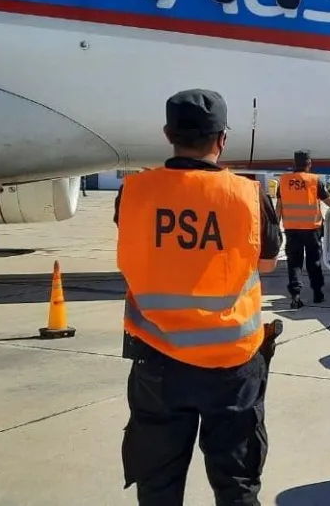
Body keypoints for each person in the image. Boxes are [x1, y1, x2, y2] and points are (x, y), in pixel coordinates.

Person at [114, 89, 284, 506]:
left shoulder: (134, 191)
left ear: (168, 133)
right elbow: (266, 265)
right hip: (232, 363)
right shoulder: (248, 195)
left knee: (158, 485)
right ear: (222, 139)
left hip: (157, 359)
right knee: (237, 485)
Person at [277, 150, 330, 308]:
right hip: (311, 229)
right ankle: (317, 293)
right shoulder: (314, 180)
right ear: (309, 164)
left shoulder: (284, 180)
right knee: (314, 262)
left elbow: (278, 207)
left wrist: (276, 225)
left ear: (294, 163)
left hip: (291, 229)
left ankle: (295, 295)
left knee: (294, 262)